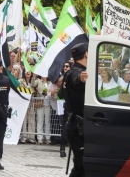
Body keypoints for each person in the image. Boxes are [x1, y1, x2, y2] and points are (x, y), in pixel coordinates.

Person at [58, 43, 88, 177]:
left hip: (74, 125)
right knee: (80, 168)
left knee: (80, 167)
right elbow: (77, 79)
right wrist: (81, 80)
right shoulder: (77, 73)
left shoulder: (68, 73)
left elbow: (60, 94)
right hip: (78, 127)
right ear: (86, 54)